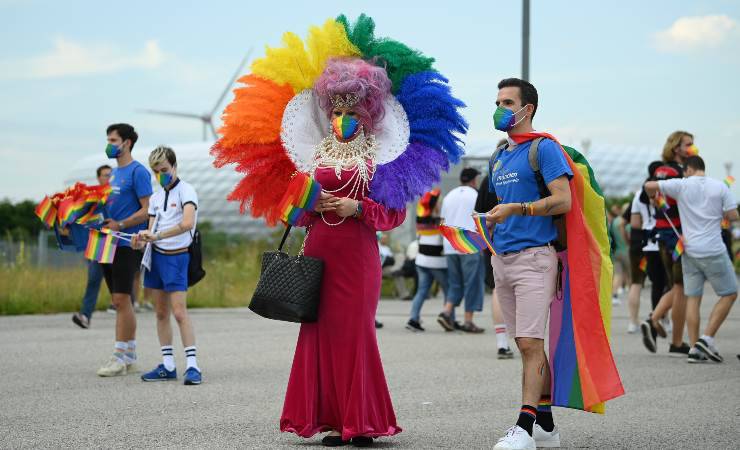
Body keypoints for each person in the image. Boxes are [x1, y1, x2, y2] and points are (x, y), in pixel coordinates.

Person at [212, 16, 467, 446]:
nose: (343, 119)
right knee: (320, 334)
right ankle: (333, 421)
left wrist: (357, 207)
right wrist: (308, 204)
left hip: (358, 256)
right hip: (319, 251)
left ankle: (362, 423)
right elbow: (293, 216)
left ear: (367, 115)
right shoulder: (312, 159)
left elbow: (392, 216)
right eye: (337, 111)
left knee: (356, 333)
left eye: (352, 112)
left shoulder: (381, 160)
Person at [486, 78, 573, 450]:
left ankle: (523, 427)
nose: (499, 108)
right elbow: (502, 208)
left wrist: (519, 209)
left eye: (507, 102)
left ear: (527, 109)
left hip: (536, 258)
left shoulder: (544, 148)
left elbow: (564, 200)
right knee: (526, 345)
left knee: (528, 340)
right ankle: (547, 423)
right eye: (497, 101)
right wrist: (485, 221)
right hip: (501, 259)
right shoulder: (499, 155)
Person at [644, 156, 738, 363]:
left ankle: (695, 348)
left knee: (693, 298)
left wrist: (654, 198)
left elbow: (649, 185)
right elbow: (733, 216)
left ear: (688, 169)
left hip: (689, 250)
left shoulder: (681, 185)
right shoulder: (720, 187)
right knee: (730, 293)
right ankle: (707, 338)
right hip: (713, 249)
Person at [133, 146, 202, 384]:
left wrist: (158, 236)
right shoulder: (155, 197)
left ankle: (193, 366)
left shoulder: (186, 190)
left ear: (174, 166)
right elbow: (151, 230)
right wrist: (141, 238)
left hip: (177, 257)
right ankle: (168, 364)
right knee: (160, 313)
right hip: (157, 257)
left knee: (180, 312)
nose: (161, 174)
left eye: (164, 169)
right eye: (156, 171)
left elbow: (187, 223)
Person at [96, 123, 152, 377]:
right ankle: (129, 353)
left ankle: (119, 356)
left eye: (113, 139)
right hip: (106, 242)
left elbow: (146, 209)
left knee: (122, 299)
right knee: (119, 301)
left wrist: (121, 224)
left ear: (127, 142)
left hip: (127, 243)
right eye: (108, 139)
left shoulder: (137, 172)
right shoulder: (114, 174)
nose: (109, 144)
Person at [641, 131, 693, 357]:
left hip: (662, 232)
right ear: (676, 148)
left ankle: (660, 324)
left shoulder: (659, 171)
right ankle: (665, 330)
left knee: (676, 285)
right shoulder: (678, 172)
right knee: (681, 287)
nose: (692, 148)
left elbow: (648, 196)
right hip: (678, 233)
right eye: (688, 145)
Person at [436, 168, 486, 334]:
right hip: (470, 245)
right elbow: (481, 220)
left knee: (455, 282)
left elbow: (442, 221)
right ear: (474, 180)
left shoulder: (449, 195)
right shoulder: (476, 195)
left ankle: (446, 311)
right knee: (472, 283)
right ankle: (468, 320)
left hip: (450, 245)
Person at [475, 146, 514, 358]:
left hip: (495, 242)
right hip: (526, 240)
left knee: (499, 289)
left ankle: (502, 342)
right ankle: (529, 343)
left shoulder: (490, 177)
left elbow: (479, 214)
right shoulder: (522, 175)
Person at [626, 162, 667, 334]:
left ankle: (633, 322)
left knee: (636, 283)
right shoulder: (663, 191)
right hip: (661, 241)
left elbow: (635, 223)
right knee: (663, 284)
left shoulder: (638, 195)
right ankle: (662, 319)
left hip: (641, 243)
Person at [72, 164, 112, 329]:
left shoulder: (118, 194)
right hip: (100, 240)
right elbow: (78, 213)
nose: (108, 178)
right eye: (105, 175)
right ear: (98, 178)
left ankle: (126, 308)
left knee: (121, 280)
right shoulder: (94, 196)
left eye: (110, 175)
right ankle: (85, 315)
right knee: (94, 278)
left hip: (119, 239)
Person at [407, 188, 448, 332]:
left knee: (422, 291)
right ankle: (450, 319)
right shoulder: (440, 220)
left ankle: (413, 319)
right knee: (448, 290)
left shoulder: (421, 218)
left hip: (421, 260)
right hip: (436, 261)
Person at [608, 203, 630, 305]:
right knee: (631, 277)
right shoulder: (627, 223)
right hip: (627, 251)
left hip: (616, 251)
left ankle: (614, 295)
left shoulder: (614, 221)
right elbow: (629, 237)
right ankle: (631, 296)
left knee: (618, 274)